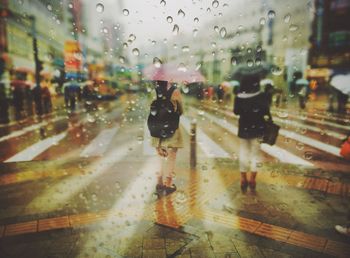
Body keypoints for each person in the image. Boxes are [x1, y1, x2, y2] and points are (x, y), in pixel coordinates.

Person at [233, 74, 270, 192]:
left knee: (243, 152)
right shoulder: (261, 96)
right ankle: (253, 179)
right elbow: (266, 111)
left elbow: (236, 112)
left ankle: (243, 178)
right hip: (258, 128)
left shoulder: (239, 97)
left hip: (244, 128)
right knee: (256, 154)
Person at [151, 80, 184, 195]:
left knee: (160, 156)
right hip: (171, 129)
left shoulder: (154, 92)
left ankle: (159, 183)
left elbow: (151, 109)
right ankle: (168, 184)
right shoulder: (175, 92)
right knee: (171, 156)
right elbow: (181, 110)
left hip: (156, 130)